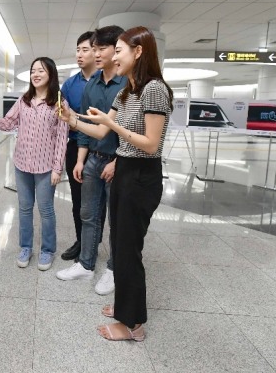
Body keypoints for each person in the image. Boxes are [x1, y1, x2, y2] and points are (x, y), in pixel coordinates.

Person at [62, 26, 173, 342]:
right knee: (120, 244)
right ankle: (125, 306)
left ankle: (133, 325)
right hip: (125, 170)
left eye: (119, 50)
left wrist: (113, 125)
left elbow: (151, 144)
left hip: (141, 174)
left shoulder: (153, 90)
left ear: (138, 52)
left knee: (128, 251)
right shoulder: (129, 90)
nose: (112, 57)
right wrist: (72, 120)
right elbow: (99, 132)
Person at [0, 57, 69, 271]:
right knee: (25, 208)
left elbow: (62, 138)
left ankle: (47, 250)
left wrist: (57, 168)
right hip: (22, 164)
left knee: (46, 210)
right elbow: (8, 124)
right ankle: (25, 247)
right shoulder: (23, 101)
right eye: (33, 71)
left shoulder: (59, 103)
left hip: (46, 168)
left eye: (41, 71)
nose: (35, 75)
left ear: (51, 75)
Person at [56, 26, 126, 298]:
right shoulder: (91, 85)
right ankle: (85, 263)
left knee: (117, 220)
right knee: (88, 213)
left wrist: (117, 161)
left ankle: (112, 269)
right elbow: (85, 126)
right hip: (93, 159)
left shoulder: (127, 85)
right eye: (92, 48)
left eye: (101, 48)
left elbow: (131, 130)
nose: (96, 54)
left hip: (116, 161)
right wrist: (81, 160)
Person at [59, 31, 98, 262]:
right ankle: (81, 241)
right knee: (78, 200)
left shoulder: (109, 80)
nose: (80, 55)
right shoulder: (70, 84)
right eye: (78, 50)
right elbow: (62, 116)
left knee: (100, 202)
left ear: (97, 51)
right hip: (75, 147)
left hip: (103, 148)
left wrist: (77, 119)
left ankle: (95, 243)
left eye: (85, 50)